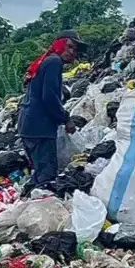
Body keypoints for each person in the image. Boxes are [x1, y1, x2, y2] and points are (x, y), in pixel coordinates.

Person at [19, 30, 84, 184]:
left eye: (74, 49)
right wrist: (66, 119)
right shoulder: (54, 62)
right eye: (69, 47)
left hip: (30, 125)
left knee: (39, 174)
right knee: (46, 178)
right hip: (40, 128)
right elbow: (49, 97)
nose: (72, 52)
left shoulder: (47, 61)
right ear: (59, 45)